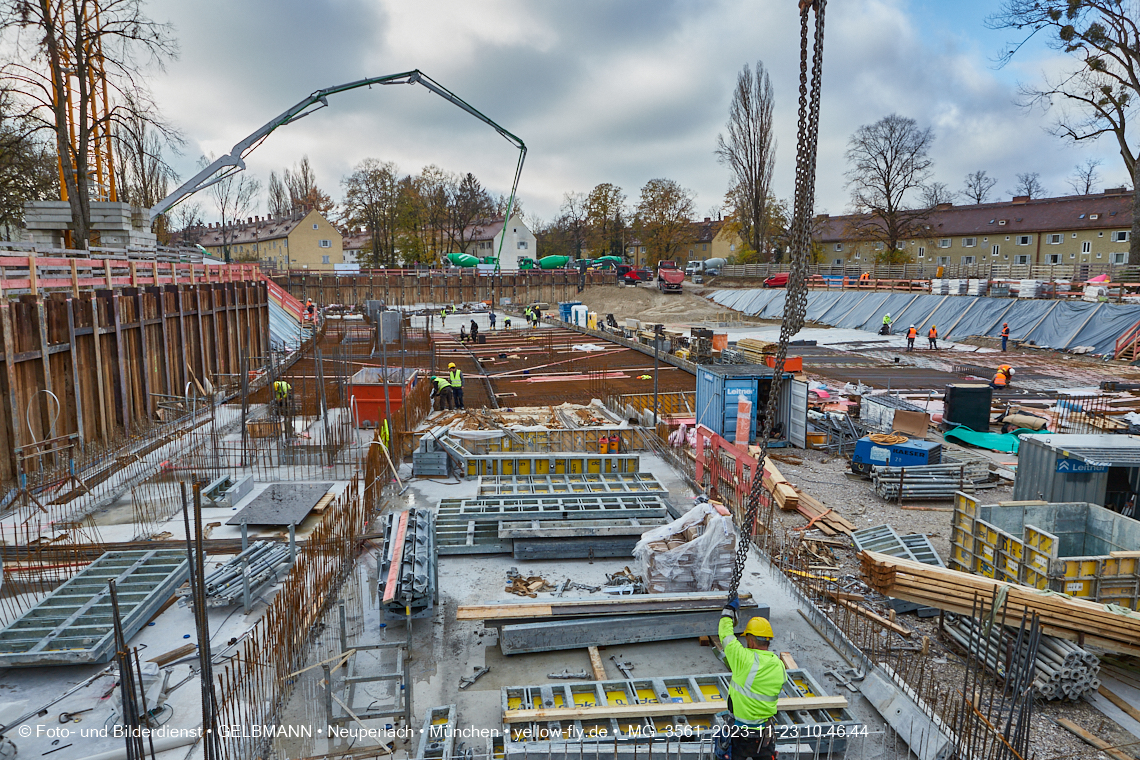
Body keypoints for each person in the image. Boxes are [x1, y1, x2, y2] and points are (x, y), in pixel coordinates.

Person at [719, 597, 784, 760]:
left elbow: (725, 634)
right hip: (764, 736)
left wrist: (728, 612)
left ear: (750, 640)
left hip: (740, 735)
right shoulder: (779, 665)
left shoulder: (742, 659)